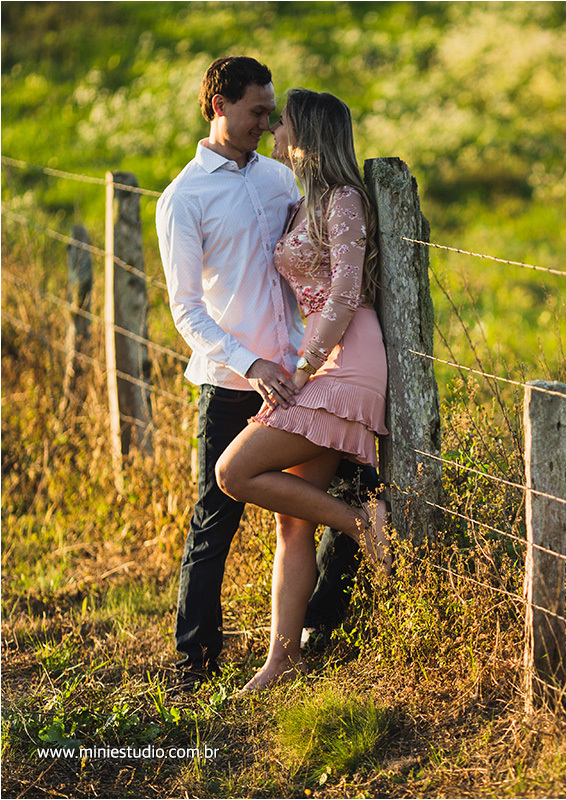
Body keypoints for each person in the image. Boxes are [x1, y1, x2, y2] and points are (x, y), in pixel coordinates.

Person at [156, 57, 375, 693]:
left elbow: (324, 267)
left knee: (307, 518)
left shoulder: (283, 180)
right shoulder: (185, 198)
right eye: (257, 111)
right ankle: (194, 665)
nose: (268, 122)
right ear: (219, 105)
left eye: (272, 112)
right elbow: (185, 308)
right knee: (215, 516)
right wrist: (250, 363)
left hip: (309, 377)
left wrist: (306, 359)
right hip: (234, 381)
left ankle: (317, 638)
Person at [213, 87, 391, 693]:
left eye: (281, 122)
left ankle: (360, 522)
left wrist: (303, 369)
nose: (272, 130)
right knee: (292, 524)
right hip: (318, 360)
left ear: (307, 134)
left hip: (345, 361)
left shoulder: (343, 200)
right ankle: (282, 659)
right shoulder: (301, 202)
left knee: (233, 471)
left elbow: (344, 293)